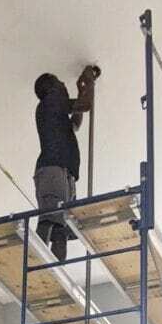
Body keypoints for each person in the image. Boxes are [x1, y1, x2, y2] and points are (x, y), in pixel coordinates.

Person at [33, 65, 99, 262]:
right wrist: (89, 82)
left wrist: (82, 91)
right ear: (51, 88)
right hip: (54, 171)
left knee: (60, 228)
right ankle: (37, 265)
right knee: (49, 219)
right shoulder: (50, 102)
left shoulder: (55, 113)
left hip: (63, 173)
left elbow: (75, 123)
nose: (63, 84)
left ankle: (54, 272)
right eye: (59, 82)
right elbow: (85, 105)